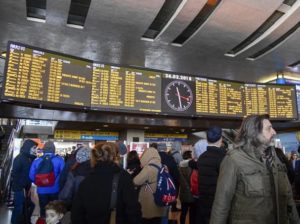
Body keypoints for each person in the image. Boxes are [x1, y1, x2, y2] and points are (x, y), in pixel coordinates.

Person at [210, 114, 300, 224]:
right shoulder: (233, 160)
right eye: (268, 128)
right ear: (254, 133)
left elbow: (289, 198)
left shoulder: (275, 159)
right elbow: (221, 206)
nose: (274, 132)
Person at [71, 142, 141, 224]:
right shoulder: (124, 178)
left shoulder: (86, 180)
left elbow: (76, 214)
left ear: (94, 157)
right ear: (115, 156)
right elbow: (133, 211)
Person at [197, 126, 226, 224]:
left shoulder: (202, 158)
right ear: (221, 139)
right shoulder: (224, 158)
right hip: (218, 204)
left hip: (204, 202)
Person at [29, 141, 65, 218]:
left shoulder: (37, 161)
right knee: (55, 210)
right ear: (53, 149)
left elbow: (31, 176)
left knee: (43, 209)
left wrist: (39, 183)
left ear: (44, 149)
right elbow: (64, 175)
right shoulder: (59, 160)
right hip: (55, 190)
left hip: (41, 191)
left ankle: (43, 220)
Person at [133, 147, 166, 224]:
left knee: (148, 220)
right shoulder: (163, 166)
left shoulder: (149, 168)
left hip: (150, 201)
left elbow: (136, 181)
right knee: (157, 220)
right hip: (160, 199)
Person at [11, 139, 38, 224]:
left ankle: (23, 221)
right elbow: (14, 174)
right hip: (19, 188)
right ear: (28, 147)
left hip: (26, 188)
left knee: (29, 206)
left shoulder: (29, 159)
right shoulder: (19, 158)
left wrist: (29, 186)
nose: (35, 150)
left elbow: (28, 174)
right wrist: (21, 186)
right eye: (33, 148)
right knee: (19, 207)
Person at [179, 150, 194, 224]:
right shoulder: (191, 167)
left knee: (183, 212)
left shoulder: (180, 166)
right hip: (192, 192)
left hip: (183, 193)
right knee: (192, 213)